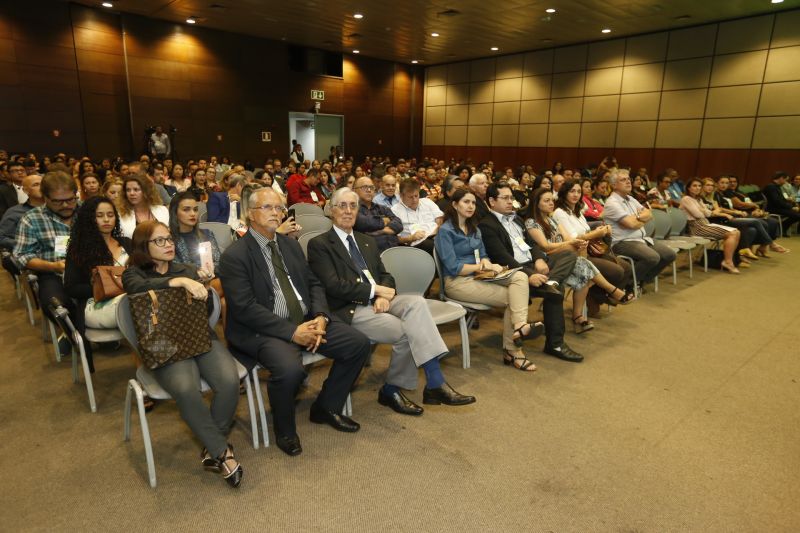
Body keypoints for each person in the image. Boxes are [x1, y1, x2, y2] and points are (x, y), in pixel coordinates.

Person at [218, 187, 370, 457]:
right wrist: (292, 332)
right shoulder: (235, 256)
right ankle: (285, 430)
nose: (276, 213)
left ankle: (326, 407)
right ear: (250, 215)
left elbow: (313, 283)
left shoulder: (289, 244)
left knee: (357, 343)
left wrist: (322, 316)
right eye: (268, 208)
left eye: (279, 208)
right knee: (290, 370)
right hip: (263, 330)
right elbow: (245, 309)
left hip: (307, 320)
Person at [308, 187, 475, 415]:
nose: (348, 211)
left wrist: (383, 291)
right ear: (331, 210)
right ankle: (394, 389)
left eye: (353, 206)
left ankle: (434, 380)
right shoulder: (320, 244)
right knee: (406, 332)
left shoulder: (366, 241)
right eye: (342, 206)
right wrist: (374, 292)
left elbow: (385, 274)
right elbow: (333, 285)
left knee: (417, 302)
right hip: (350, 308)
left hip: (379, 299)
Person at [122, 221, 242, 487]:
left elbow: (208, 310)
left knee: (230, 381)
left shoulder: (187, 268)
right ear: (144, 246)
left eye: (169, 239)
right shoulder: (134, 273)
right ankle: (222, 453)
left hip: (198, 335)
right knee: (187, 390)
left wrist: (204, 285)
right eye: (160, 241)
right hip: (164, 344)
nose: (168, 245)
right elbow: (134, 289)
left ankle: (212, 445)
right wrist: (177, 281)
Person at [434, 188, 544, 372]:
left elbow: (483, 254)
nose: (470, 206)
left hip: (481, 276)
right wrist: (483, 266)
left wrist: (485, 262)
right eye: (466, 202)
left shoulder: (474, 228)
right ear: (454, 205)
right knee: (515, 298)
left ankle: (519, 327)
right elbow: (454, 268)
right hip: (457, 282)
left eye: (473, 203)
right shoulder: (445, 231)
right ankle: (514, 350)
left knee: (520, 276)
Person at [479, 182, 583, 363]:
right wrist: (529, 274)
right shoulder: (487, 225)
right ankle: (555, 344)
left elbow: (531, 244)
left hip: (533, 263)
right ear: (491, 201)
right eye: (505, 198)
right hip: (515, 270)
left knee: (568, 254)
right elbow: (502, 257)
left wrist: (539, 259)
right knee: (555, 295)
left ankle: (552, 281)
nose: (510, 202)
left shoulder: (516, 219)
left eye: (511, 198)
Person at [527, 187, 635, 334]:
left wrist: (577, 243)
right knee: (583, 266)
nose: (551, 203)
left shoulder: (552, 220)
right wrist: (572, 244)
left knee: (584, 274)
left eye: (552, 200)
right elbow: (545, 247)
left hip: (565, 257)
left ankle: (580, 315)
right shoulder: (531, 222)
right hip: (547, 262)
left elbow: (567, 239)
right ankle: (610, 292)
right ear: (536, 203)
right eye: (546, 201)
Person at [13, 171, 79, 357]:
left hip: (87, 271)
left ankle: (82, 332)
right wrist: (54, 266)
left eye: (70, 199)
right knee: (55, 303)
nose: (66, 205)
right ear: (45, 198)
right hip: (53, 273)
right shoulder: (31, 219)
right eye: (58, 201)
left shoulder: (86, 212)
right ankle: (75, 334)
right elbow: (22, 256)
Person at [602, 169, 677, 290]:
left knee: (669, 255)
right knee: (652, 257)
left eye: (628, 179)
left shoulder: (631, 199)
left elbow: (649, 213)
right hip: (622, 242)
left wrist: (638, 219)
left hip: (641, 238)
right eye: (623, 180)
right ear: (614, 185)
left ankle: (641, 280)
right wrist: (640, 219)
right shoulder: (612, 203)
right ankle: (627, 284)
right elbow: (631, 224)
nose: (628, 182)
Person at [680, 178, 742, 274]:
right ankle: (728, 262)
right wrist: (703, 211)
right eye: (694, 186)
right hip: (696, 227)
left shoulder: (698, 199)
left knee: (737, 232)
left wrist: (703, 211)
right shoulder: (686, 199)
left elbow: (708, 213)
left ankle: (729, 260)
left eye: (699, 186)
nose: (697, 188)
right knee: (732, 234)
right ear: (688, 188)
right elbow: (698, 215)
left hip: (705, 224)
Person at [0, 174, 43, 276]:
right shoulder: (15, 212)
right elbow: (1, 237)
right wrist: (26, 244)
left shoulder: (58, 208)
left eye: (43, 184)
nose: (41, 187)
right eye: (36, 184)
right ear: (25, 191)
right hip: (32, 258)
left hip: (60, 252)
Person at [169, 192, 221, 271]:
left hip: (212, 278)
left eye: (195, 209)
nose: (193, 214)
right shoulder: (169, 240)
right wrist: (199, 271)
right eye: (186, 210)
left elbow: (219, 262)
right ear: (175, 212)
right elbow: (177, 269)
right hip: (187, 281)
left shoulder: (207, 233)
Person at [352, 177, 403, 252]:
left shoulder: (382, 208)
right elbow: (365, 223)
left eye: (371, 187)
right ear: (354, 191)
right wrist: (385, 221)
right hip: (370, 252)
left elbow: (399, 224)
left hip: (394, 250)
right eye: (364, 187)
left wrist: (381, 231)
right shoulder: (352, 209)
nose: (369, 190)